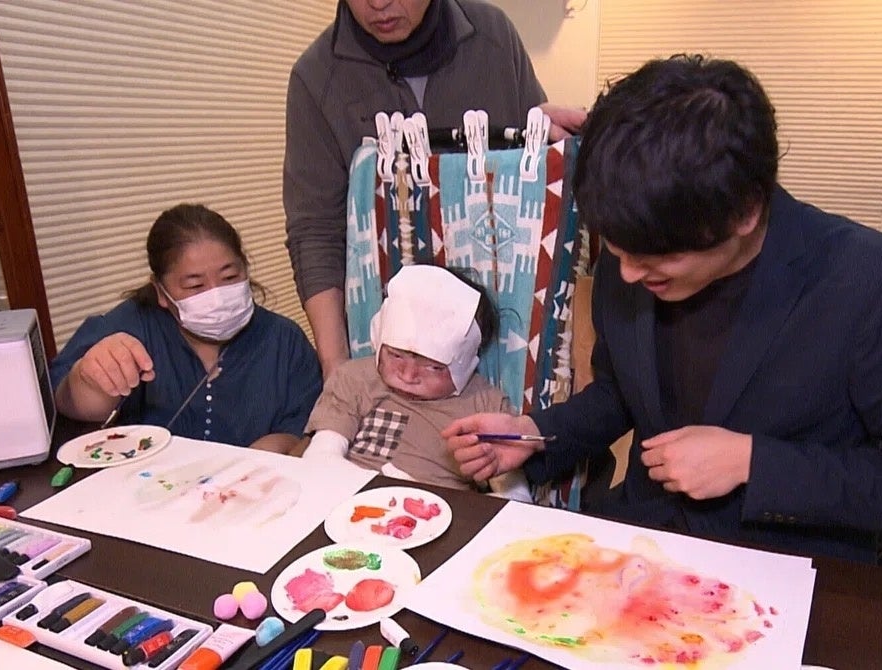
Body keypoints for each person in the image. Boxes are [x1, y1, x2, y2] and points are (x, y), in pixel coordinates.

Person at [444, 55, 882, 563]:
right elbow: (621, 393)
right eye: (615, 248)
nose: (627, 273)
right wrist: (531, 434)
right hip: (639, 544)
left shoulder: (872, 282)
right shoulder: (632, 249)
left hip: (784, 567)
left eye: (656, 256)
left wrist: (754, 463)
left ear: (745, 212)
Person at [284, 0, 586, 379]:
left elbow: (531, 181)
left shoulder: (493, 38)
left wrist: (543, 141)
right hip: (388, 343)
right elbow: (314, 231)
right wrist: (335, 366)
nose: (379, 4)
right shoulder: (316, 77)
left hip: (496, 329)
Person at [51, 204, 322, 453]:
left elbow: (310, 427)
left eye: (230, 276)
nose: (217, 296)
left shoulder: (284, 340)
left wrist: (278, 447)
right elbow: (62, 404)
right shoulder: (130, 327)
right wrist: (89, 381)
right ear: (160, 291)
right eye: (195, 285)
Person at [301, 264, 527, 498]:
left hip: (442, 511)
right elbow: (321, 457)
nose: (408, 376)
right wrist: (378, 487)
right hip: (346, 494)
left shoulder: (487, 406)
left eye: (434, 367)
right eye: (396, 355)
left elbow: (516, 496)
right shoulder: (355, 379)